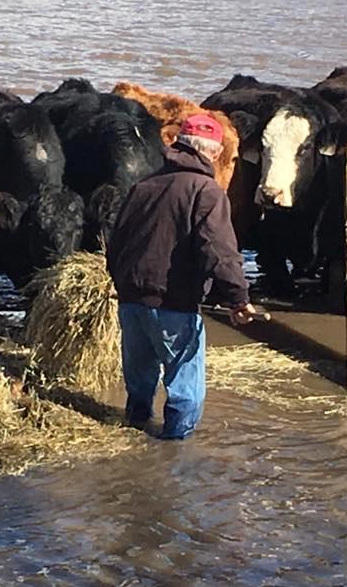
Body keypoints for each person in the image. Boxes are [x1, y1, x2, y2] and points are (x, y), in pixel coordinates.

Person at [106, 113, 257, 439]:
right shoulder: (207, 191)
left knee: (140, 376)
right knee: (185, 383)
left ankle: (135, 428)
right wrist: (238, 298)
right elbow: (219, 250)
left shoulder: (143, 186)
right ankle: (173, 449)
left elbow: (115, 242)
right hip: (173, 302)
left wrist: (121, 285)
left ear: (176, 145)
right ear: (213, 154)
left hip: (131, 300)